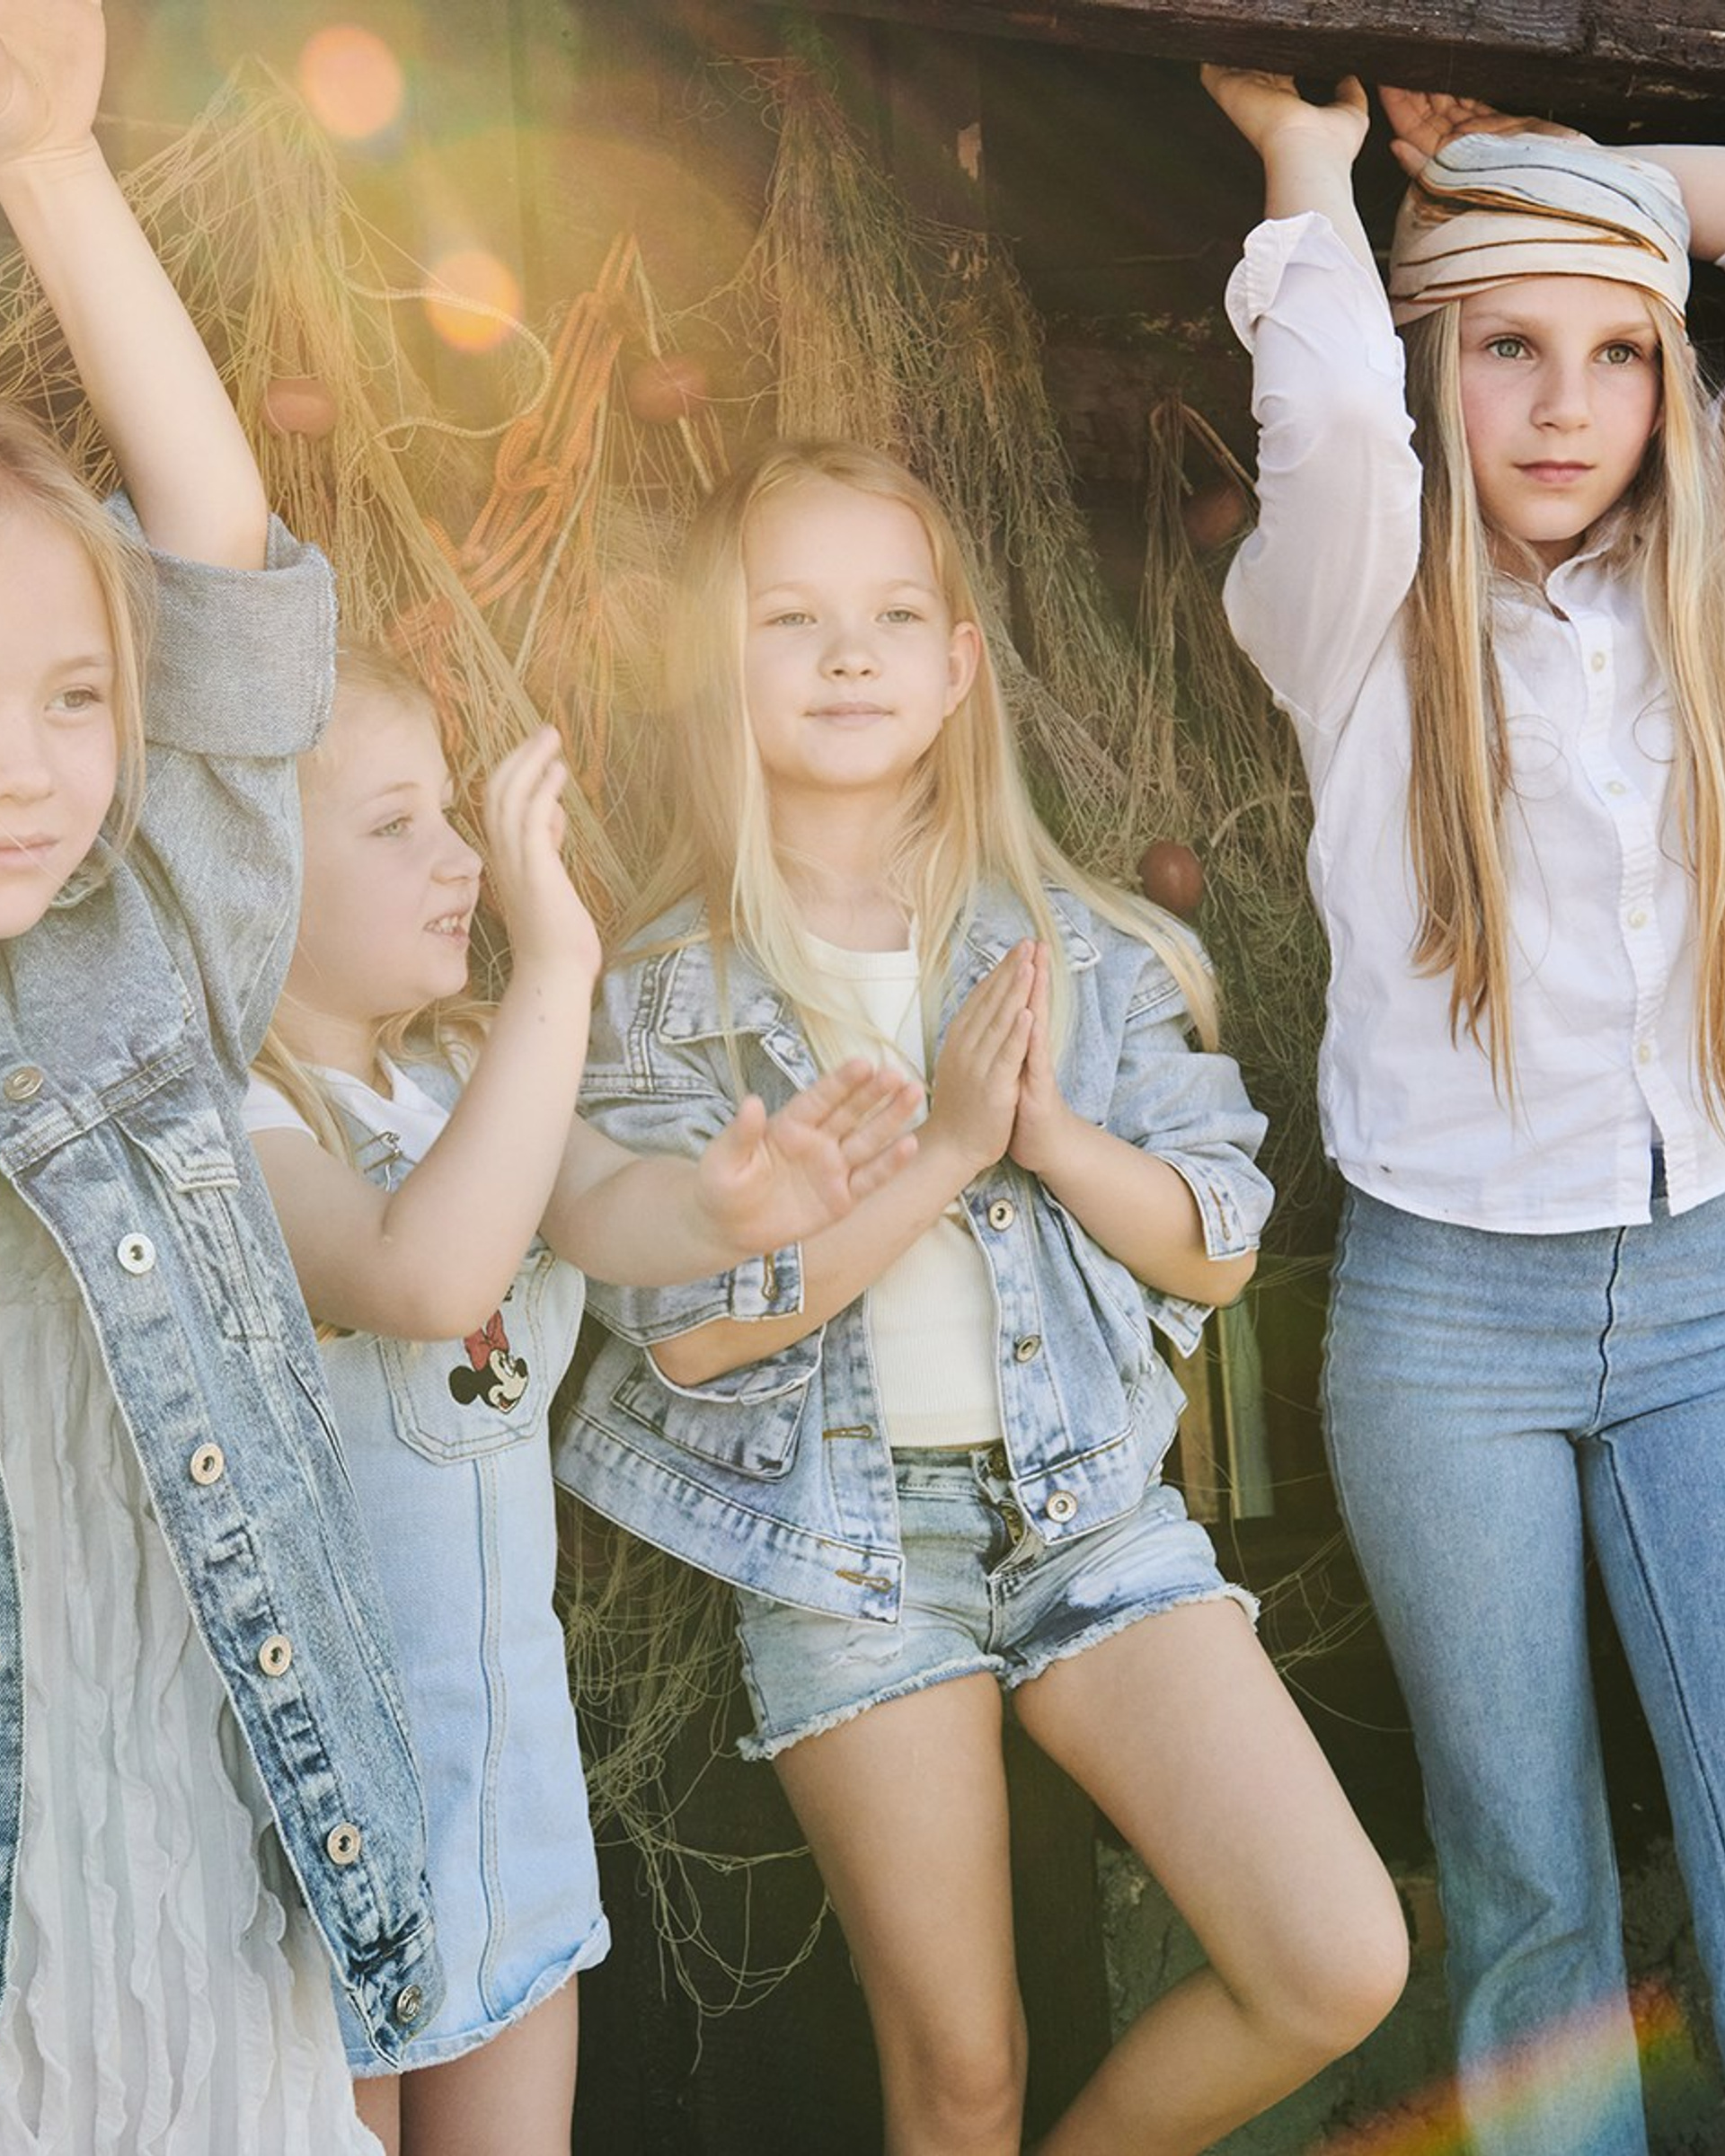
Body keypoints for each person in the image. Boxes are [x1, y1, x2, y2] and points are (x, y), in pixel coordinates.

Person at [556, 437, 1408, 2155]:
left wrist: (1047, 1137)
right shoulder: (658, 995)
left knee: (1333, 1963)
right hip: (844, 1560)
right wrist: (945, 1154)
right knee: (961, 2079)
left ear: (956, 671)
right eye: (791, 617)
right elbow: (695, 1326)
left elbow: (1216, 1242)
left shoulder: (1081, 949)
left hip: (1095, 1520)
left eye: (888, 617)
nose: (848, 654)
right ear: (719, 664)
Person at [1204, 66, 1725, 2156]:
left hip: (1707, 1296)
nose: (1565, 405)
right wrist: (1315, 170)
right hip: (1444, 1331)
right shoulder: (1351, 612)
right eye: (1509, 344)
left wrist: (1628, 188)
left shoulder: (1697, 606)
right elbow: (1330, 426)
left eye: (1619, 357)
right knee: (1528, 1885)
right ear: (1438, 354)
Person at [244, 644, 923, 2156]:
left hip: (506, 1786)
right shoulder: (247, 1129)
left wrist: (728, 1209)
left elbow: (604, 1212)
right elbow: (419, 1274)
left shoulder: (468, 1072)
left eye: (456, 819)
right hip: (323, 1834)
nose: (462, 860)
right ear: (247, 875)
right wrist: (560, 967)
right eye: (394, 825)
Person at [0, 2, 449, 2146]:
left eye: (76, 694)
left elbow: (217, 539)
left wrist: (52, 172)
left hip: (208, 1846)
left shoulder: (144, 955)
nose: (29, 764)